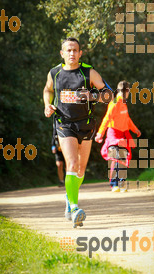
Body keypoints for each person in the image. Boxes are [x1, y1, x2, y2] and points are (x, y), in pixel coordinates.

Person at [43, 37, 112, 228]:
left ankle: (69, 196)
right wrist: (47, 105)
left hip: (86, 124)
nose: (72, 53)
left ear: (80, 53)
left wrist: (92, 95)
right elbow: (47, 90)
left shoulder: (88, 72)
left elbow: (109, 95)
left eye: (75, 50)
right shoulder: (54, 73)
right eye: (68, 50)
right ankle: (74, 209)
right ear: (62, 53)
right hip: (64, 124)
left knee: (81, 169)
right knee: (71, 163)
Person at [95, 80, 141, 192]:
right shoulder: (115, 102)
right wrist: (100, 133)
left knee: (122, 157)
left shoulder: (124, 104)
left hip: (122, 134)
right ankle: (114, 184)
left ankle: (121, 183)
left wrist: (135, 130)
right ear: (127, 91)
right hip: (113, 134)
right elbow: (107, 118)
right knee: (115, 158)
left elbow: (127, 119)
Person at [51, 118, 65, 187]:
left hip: (67, 145)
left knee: (69, 164)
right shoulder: (56, 118)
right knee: (59, 165)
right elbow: (54, 133)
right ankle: (61, 181)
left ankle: (71, 180)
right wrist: (53, 145)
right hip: (58, 147)